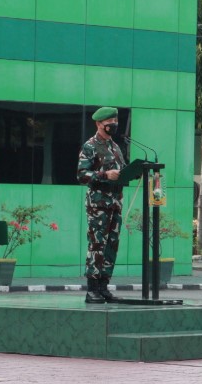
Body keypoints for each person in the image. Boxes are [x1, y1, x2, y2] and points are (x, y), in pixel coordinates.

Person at [77, 107, 126, 303]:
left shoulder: (115, 147)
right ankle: (92, 289)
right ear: (99, 124)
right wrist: (105, 174)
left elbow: (121, 169)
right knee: (97, 245)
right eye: (109, 122)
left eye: (115, 121)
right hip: (98, 205)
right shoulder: (90, 146)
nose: (113, 125)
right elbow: (81, 175)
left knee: (111, 245)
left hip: (115, 203)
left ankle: (104, 286)